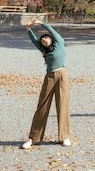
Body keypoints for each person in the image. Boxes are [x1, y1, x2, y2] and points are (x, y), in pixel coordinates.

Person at [20, 18, 71, 149]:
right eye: (42, 40)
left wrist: (41, 24)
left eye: (46, 38)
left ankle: (64, 136)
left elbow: (52, 31)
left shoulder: (59, 43)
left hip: (62, 75)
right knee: (42, 105)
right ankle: (33, 138)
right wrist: (28, 29)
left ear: (51, 39)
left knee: (62, 105)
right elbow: (34, 41)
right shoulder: (44, 51)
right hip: (49, 76)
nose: (44, 40)